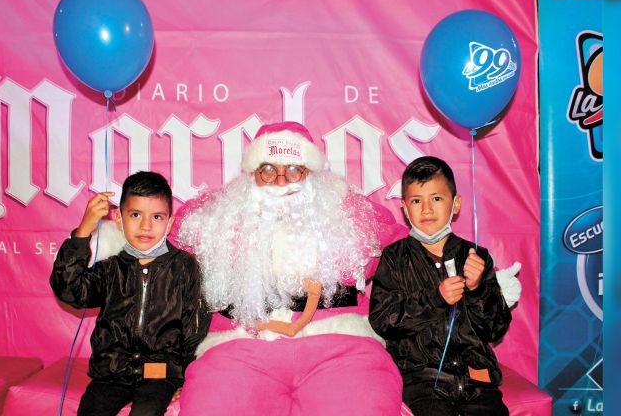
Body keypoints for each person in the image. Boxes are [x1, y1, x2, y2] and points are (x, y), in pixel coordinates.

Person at [174, 121, 403, 415]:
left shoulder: (351, 214)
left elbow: (406, 252)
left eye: (294, 170)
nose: (281, 182)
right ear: (252, 174)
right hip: (240, 346)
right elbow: (155, 247)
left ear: (312, 174)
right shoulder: (216, 217)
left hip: (340, 344)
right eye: (268, 170)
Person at [50, 171, 210, 416]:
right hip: (111, 373)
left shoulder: (185, 267)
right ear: (119, 218)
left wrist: (184, 378)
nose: (146, 226)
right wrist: (82, 233)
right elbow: (70, 291)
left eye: (157, 217)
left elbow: (194, 329)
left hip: (160, 374)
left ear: (169, 223)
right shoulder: (110, 268)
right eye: (135, 215)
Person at [369, 156, 512, 416]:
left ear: (455, 204)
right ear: (405, 208)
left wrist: (478, 289)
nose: (426, 209)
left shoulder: (475, 256)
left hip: (476, 377)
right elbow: (382, 320)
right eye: (416, 201)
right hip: (422, 379)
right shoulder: (394, 257)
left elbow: (495, 328)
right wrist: (435, 299)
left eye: (436, 198)